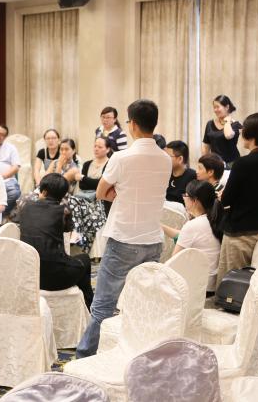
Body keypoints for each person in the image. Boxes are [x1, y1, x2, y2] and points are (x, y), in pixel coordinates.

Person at [76, 99, 172, 358]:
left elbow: (100, 192)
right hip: (153, 240)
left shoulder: (122, 157)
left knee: (104, 305)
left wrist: (120, 193)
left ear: (132, 124)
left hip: (124, 239)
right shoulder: (165, 159)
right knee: (141, 304)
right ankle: (133, 353)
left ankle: (85, 357)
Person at [216, 113, 258, 288]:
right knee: (255, 286)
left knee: (233, 287)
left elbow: (226, 199)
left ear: (250, 134)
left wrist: (222, 195)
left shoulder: (243, 163)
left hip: (240, 232)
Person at [18, 173, 94, 308]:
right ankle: (88, 306)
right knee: (85, 260)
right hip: (54, 279)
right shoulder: (63, 211)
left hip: (29, 276)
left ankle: (82, 306)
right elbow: (68, 230)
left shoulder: (25, 207)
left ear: (43, 191)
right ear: (63, 194)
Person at [162, 180, 222, 291]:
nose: (183, 197)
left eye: (186, 195)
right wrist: (160, 226)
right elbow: (183, 235)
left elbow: (173, 262)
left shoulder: (193, 226)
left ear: (195, 201)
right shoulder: (212, 220)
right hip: (210, 284)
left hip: (195, 286)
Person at [202, 95, 243, 166]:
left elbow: (228, 135)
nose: (215, 110)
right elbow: (206, 145)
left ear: (227, 107)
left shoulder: (236, 125)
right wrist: (205, 162)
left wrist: (227, 120)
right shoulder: (210, 124)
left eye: (217, 107)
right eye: (214, 107)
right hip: (216, 164)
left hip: (232, 164)